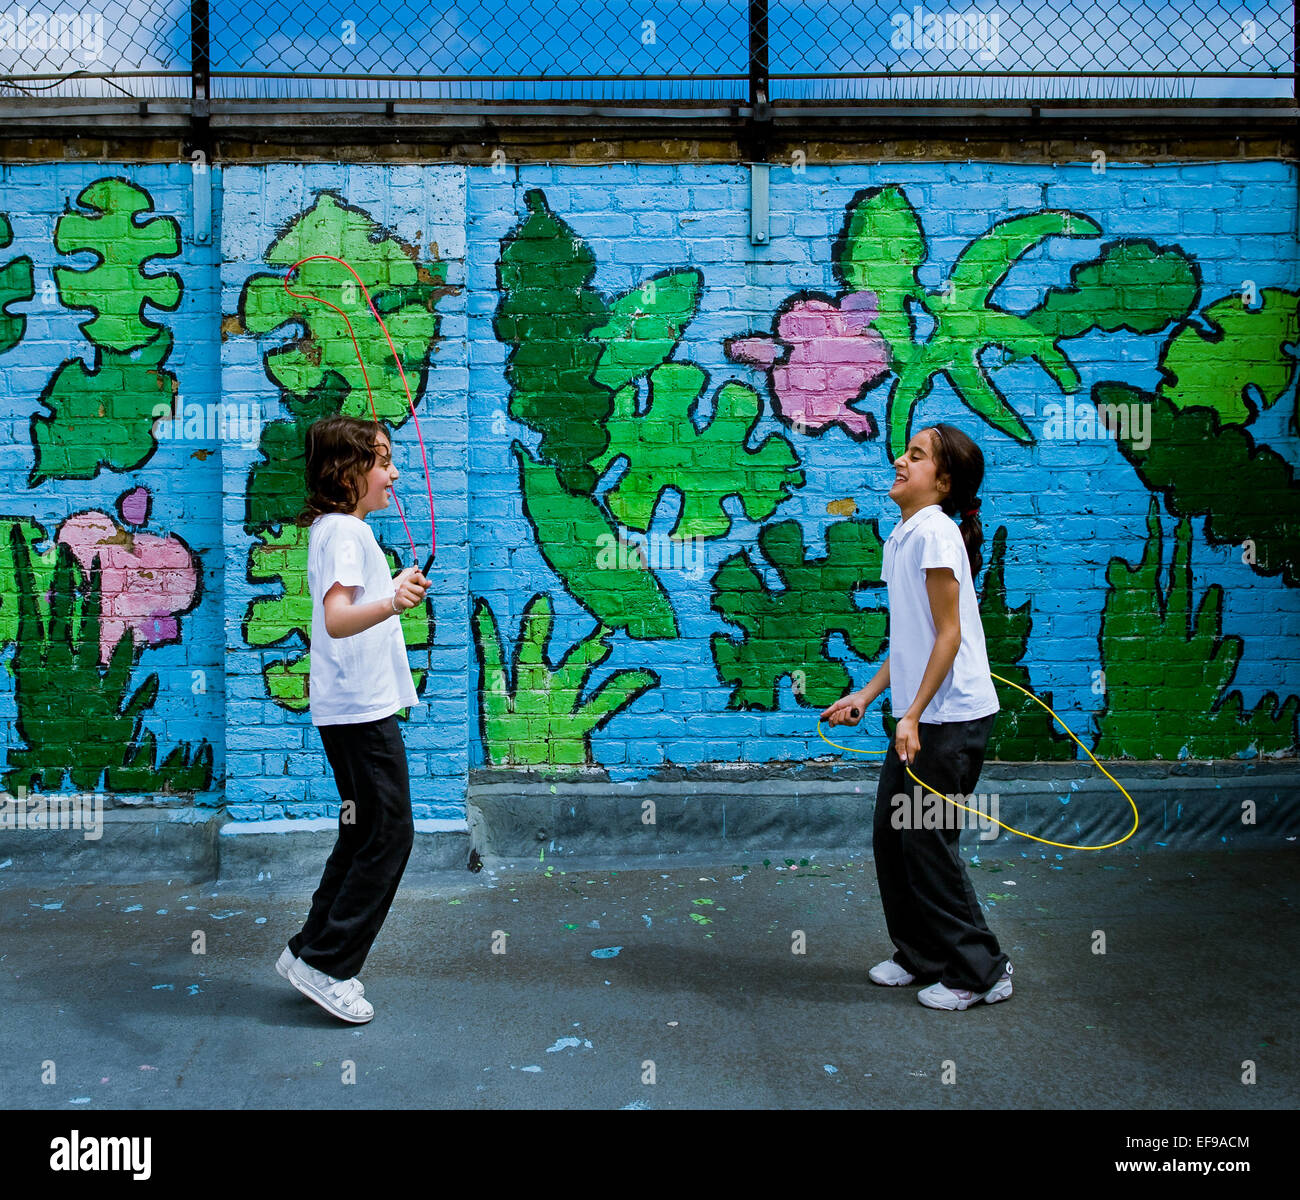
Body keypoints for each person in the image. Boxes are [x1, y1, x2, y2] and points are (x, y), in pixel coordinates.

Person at [821, 423, 1012, 1011]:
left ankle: (982, 972)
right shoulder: (907, 533)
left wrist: (915, 714)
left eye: (917, 455)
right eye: (906, 452)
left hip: (948, 720)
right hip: (920, 716)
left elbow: (950, 637)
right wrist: (868, 695)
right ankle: (922, 954)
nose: (901, 460)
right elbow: (910, 637)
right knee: (893, 835)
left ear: (943, 480)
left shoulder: (935, 534)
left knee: (926, 842)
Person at [274, 414, 429, 1024]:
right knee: (390, 834)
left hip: (348, 710)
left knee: (362, 830)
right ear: (349, 470)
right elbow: (338, 619)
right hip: (362, 714)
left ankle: (309, 952)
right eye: (383, 460)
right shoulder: (345, 533)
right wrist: (392, 600)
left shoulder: (339, 531)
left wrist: (387, 588)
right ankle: (330, 964)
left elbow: (347, 608)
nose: (393, 474)